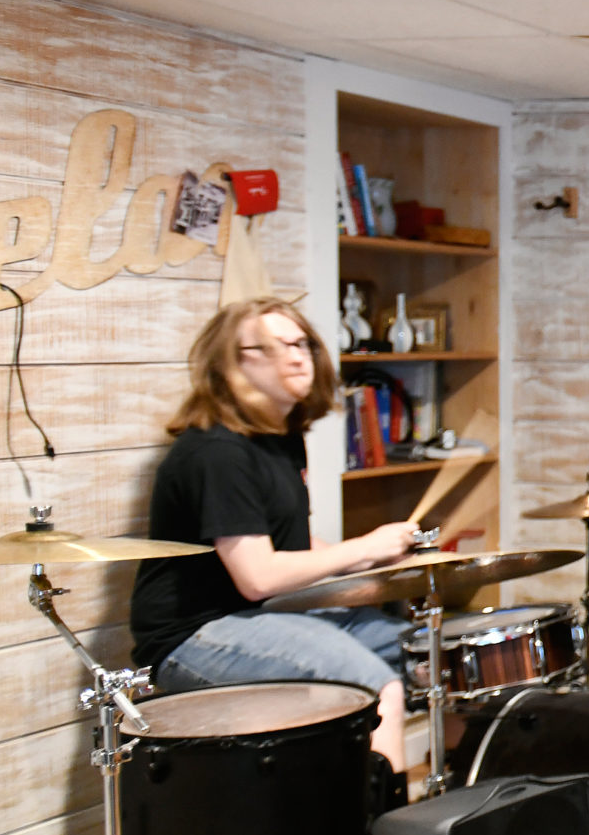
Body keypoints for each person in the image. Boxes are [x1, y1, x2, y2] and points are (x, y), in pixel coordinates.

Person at [131, 298, 425, 769]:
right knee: (375, 683)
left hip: (271, 616)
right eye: (270, 348)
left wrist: (374, 565)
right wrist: (363, 546)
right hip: (197, 633)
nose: (295, 356)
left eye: (300, 342)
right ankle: (383, 832)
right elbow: (259, 577)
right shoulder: (216, 452)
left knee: (423, 656)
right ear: (230, 363)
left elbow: (297, 547)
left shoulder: (280, 437)